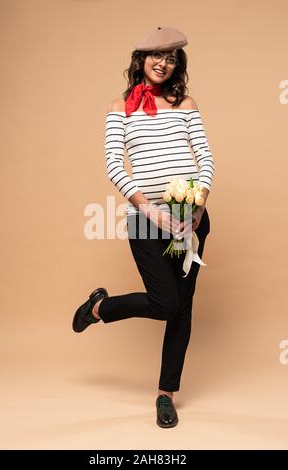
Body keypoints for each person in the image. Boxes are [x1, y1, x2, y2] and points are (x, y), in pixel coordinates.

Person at [72, 26, 215, 428]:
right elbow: (115, 165)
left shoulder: (185, 103)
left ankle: (165, 395)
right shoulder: (119, 107)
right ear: (140, 60)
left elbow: (205, 156)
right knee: (164, 302)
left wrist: (200, 203)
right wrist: (148, 210)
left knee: (181, 311)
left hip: (191, 218)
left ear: (177, 64)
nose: (163, 63)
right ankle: (99, 308)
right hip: (147, 219)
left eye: (171, 57)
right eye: (157, 55)